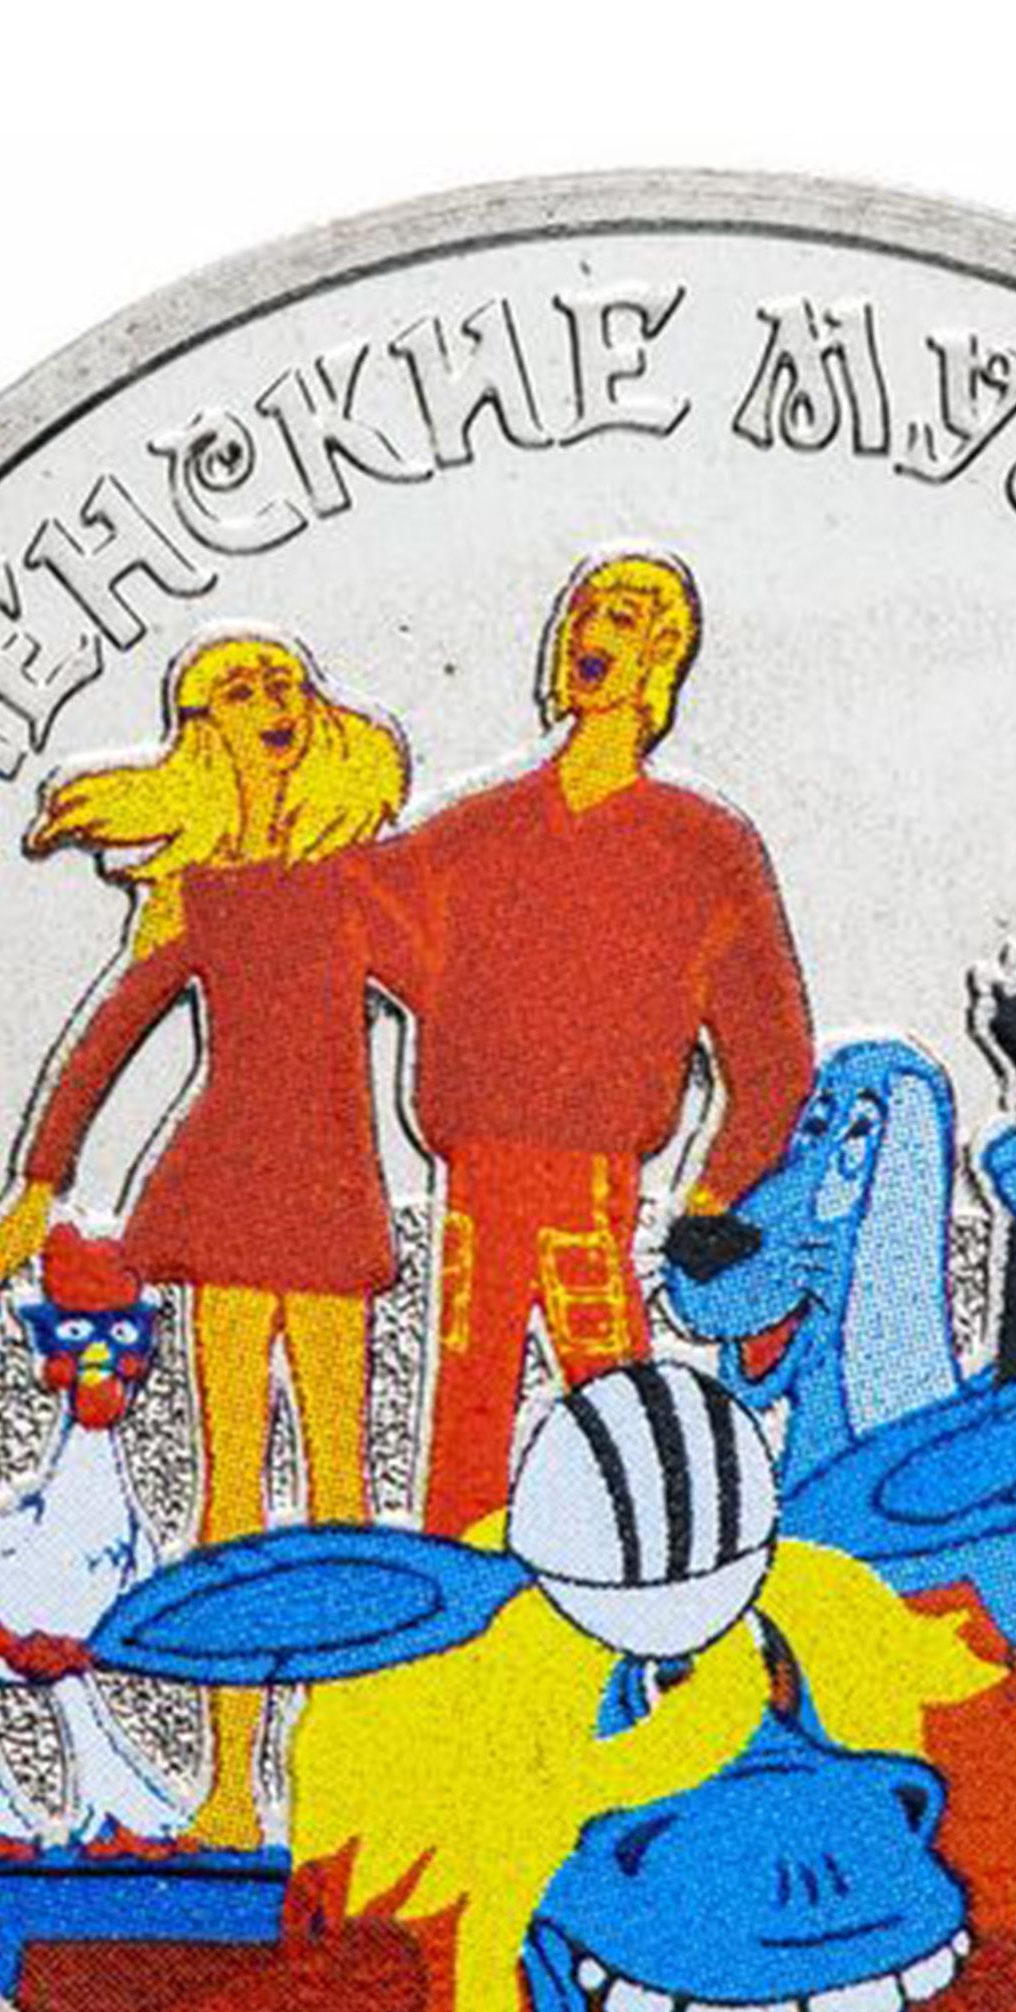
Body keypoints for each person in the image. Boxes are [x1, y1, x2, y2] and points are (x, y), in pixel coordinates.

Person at [0, 632, 416, 1849]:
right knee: (232, 1492)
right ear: (205, 733)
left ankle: (340, 1775)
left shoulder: (358, 885)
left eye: (284, 683)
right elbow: (110, 1035)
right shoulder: (201, 898)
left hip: (331, 1197)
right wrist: (36, 1187)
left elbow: (454, 993)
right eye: (242, 691)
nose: (273, 702)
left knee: (341, 1493)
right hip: (226, 1194)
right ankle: (228, 1786)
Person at [370, 554, 814, 1533]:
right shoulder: (472, 835)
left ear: (662, 654)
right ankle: (455, 1610)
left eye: (620, 616)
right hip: (475, 1184)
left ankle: (659, 1590)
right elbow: (346, 919)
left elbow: (773, 1061)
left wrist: (715, 1201)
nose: (590, 632)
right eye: (583, 611)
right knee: (466, 1424)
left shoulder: (703, 848)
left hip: (593, 1187)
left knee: (621, 1417)